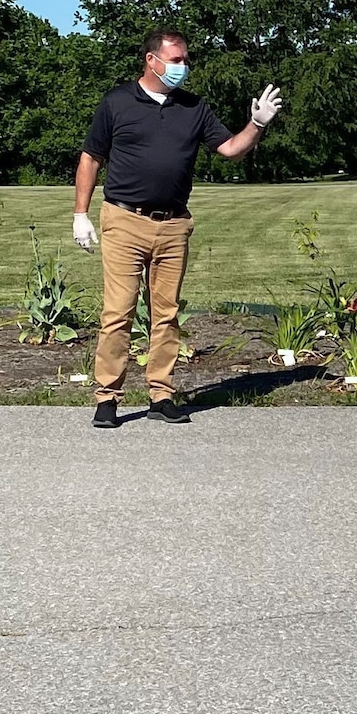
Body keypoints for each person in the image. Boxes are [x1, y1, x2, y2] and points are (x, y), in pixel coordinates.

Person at [73, 30, 281, 427]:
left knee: (165, 314)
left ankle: (161, 395)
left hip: (173, 225)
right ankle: (107, 398)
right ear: (152, 60)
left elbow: (231, 150)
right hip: (124, 219)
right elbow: (91, 157)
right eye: (176, 60)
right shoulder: (117, 102)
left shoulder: (194, 107)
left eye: (185, 60)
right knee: (118, 312)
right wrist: (80, 214)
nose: (183, 67)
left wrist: (256, 124)